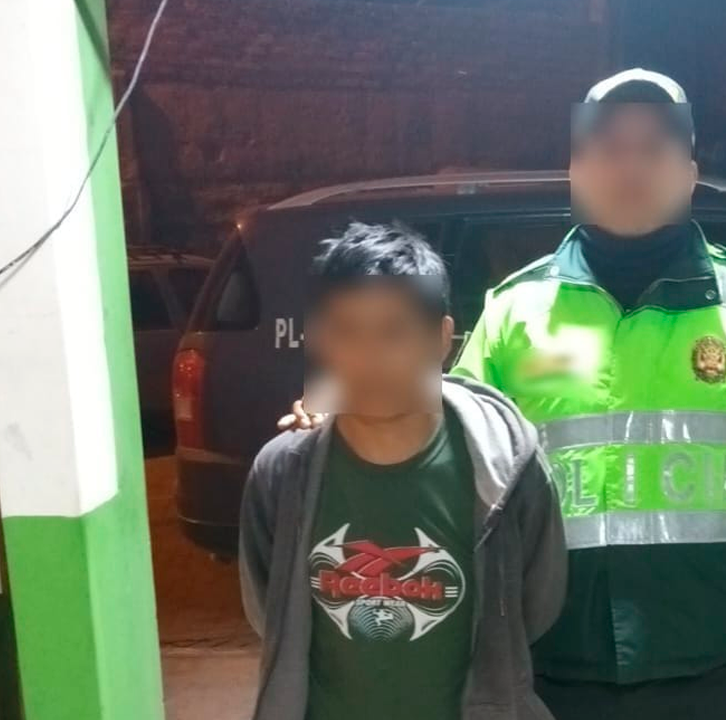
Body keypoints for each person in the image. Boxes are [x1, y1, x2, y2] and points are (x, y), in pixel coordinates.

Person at [283, 69, 726, 720]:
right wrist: (342, 404)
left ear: (690, 172)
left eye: (653, 148)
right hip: (547, 664)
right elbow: (435, 435)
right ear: (576, 172)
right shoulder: (515, 314)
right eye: (608, 148)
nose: (630, 167)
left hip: (709, 664)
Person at [242, 222, 567, 720]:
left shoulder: (506, 468)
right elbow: (272, 610)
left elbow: (534, 606)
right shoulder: (282, 473)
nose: (368, 357)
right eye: (346, 332)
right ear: (320, 340)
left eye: (393, 332)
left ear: (441, 337)